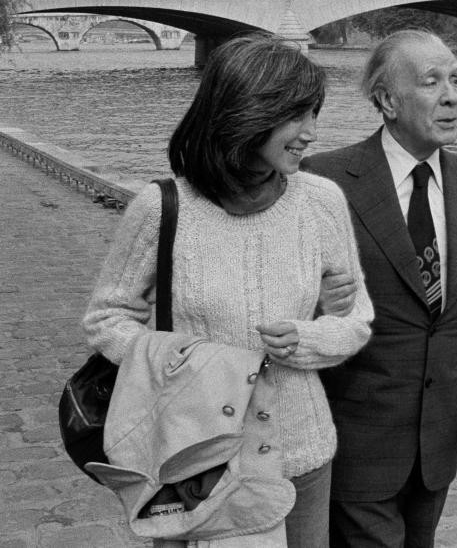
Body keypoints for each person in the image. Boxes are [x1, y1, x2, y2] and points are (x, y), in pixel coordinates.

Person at [83, 33, 375, 548]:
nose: (311, 133)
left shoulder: (322, 202)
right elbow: (107, 318)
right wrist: (189, 363)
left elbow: (356, 319)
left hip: (301, 455)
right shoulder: (161, 208)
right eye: (298, 116)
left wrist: (309, 339)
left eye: (315, 114)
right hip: (196, 461)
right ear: (247, 113)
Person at [303, 29, 457, 548]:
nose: (453, 96)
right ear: (387, 101)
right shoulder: (324, 182)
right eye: (432, 81)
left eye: (456, 80)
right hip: (356, 441)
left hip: (437, 447)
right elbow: (293, 304)